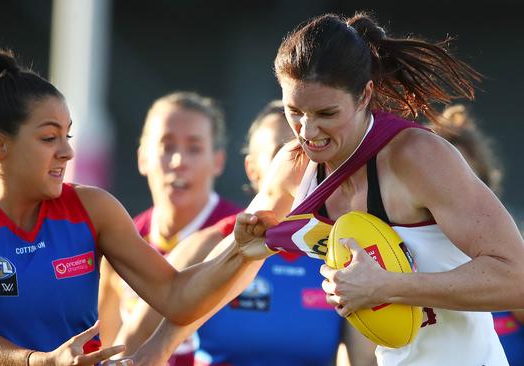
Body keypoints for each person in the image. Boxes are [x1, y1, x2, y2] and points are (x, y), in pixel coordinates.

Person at [124, 12, 524, 366]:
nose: (308, 132)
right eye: (294, 112)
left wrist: (389, 288)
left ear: (365, 94)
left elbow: (516, 278)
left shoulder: (417, 156)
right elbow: (235, 266)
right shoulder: (293, 167)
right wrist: (160, 346)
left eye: (326, 114)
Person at [0, 48, 273, 366]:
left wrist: (241, 254)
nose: (67, 151)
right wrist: (40, 362)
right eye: (49, 138)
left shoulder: (93, 207)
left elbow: (175, 295)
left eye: (68, 135)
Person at [114, 100, 375, 365]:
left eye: (310, 150)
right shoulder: (207, 246)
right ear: (252, 169)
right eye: (284, 152)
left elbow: (365, 360)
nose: (301, 164)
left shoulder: (344, 251)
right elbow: (133, 345)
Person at [98, 91, 241, 365]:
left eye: (194, 148)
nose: (179, 162)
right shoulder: (120, 237)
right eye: (166, 146)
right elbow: (106, 347)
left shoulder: (240, 233)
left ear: (218, 162)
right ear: (142, 158)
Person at [433, 104, 524, 365]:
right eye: (443, 180)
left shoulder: (514, 256)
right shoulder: (397, 255)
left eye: (466, 180)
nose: (454, 195)